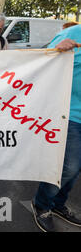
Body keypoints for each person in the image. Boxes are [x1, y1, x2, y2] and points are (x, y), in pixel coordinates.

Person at [31, 24, 81, 232]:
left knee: (76, 169)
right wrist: (56, 51)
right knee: (68, 167)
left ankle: (58, 204)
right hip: (70, 113)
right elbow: (42, 63)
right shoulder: (71, 33)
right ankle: (42, 204)